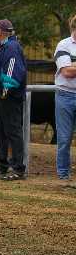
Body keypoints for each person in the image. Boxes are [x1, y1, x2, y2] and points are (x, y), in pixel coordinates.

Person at [0, 19, 27, 181]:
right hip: (3, 97)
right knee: (2, 133)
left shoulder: (11, 47)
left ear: (1, 32)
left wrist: (4, 93)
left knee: (13, 133)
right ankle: (2, 167)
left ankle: (18, 168)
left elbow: (12, 72)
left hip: (9, 98)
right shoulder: (5, 47)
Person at [54, 14, 76, 185]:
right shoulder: (63, 44)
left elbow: (71, 68)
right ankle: (63, 174)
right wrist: (70, 67)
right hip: (65, 95)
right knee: (64, 137)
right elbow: (66, 72)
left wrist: (73, 65)